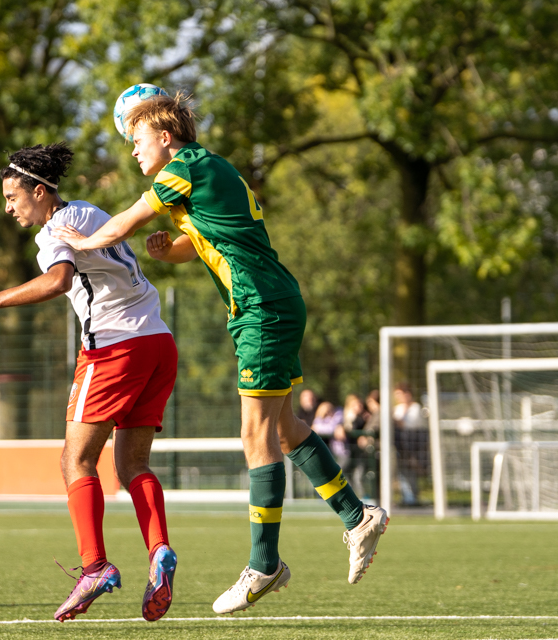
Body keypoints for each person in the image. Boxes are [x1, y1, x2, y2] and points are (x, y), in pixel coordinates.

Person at [52, 93, 388, 613]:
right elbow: (210, 238)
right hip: (268, 302)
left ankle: (264, 565)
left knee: (255, 436)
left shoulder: (183, 168)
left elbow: (124, 223)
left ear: (165, 138)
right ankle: (356, 515)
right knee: (282, 428)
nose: (134, 152)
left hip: (261, 306)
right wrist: (172, 250)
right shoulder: (208, 171)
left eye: (137, 140)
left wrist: (82, 238)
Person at [0, 142, 178, 623]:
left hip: (114, 348)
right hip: (159, 342)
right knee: (132, 463)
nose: (9, 207)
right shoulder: (89, 211)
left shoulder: (54, 229)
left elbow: (59, 279)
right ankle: (159, 549)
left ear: (39, 192)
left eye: (13, 197)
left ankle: (95, 567)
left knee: (74, 458)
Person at [393, 383, 427, 506]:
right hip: (401, 446)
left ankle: (412, 498)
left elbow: (409, 424)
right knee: (403, 472)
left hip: (414, 447)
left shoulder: (416, 408)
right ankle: (407, 497)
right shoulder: (397, 408)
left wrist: (397, 421)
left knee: (412, 471)